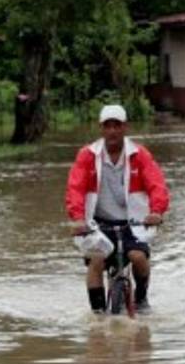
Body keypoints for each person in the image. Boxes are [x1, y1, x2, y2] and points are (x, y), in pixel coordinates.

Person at [65, 104, 170, 313]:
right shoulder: (88, 156)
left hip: (134, 223)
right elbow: (75, 188)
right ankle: (97, 314)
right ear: (101, 128)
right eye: (107, 126)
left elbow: (156, 185)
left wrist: (156, 211)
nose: (112, 131)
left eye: (117, 125)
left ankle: (141, 299)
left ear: (125, 127)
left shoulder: (139, 155)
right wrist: (77, 218)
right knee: (96, 260)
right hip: (98, 223)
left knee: (138, 257)